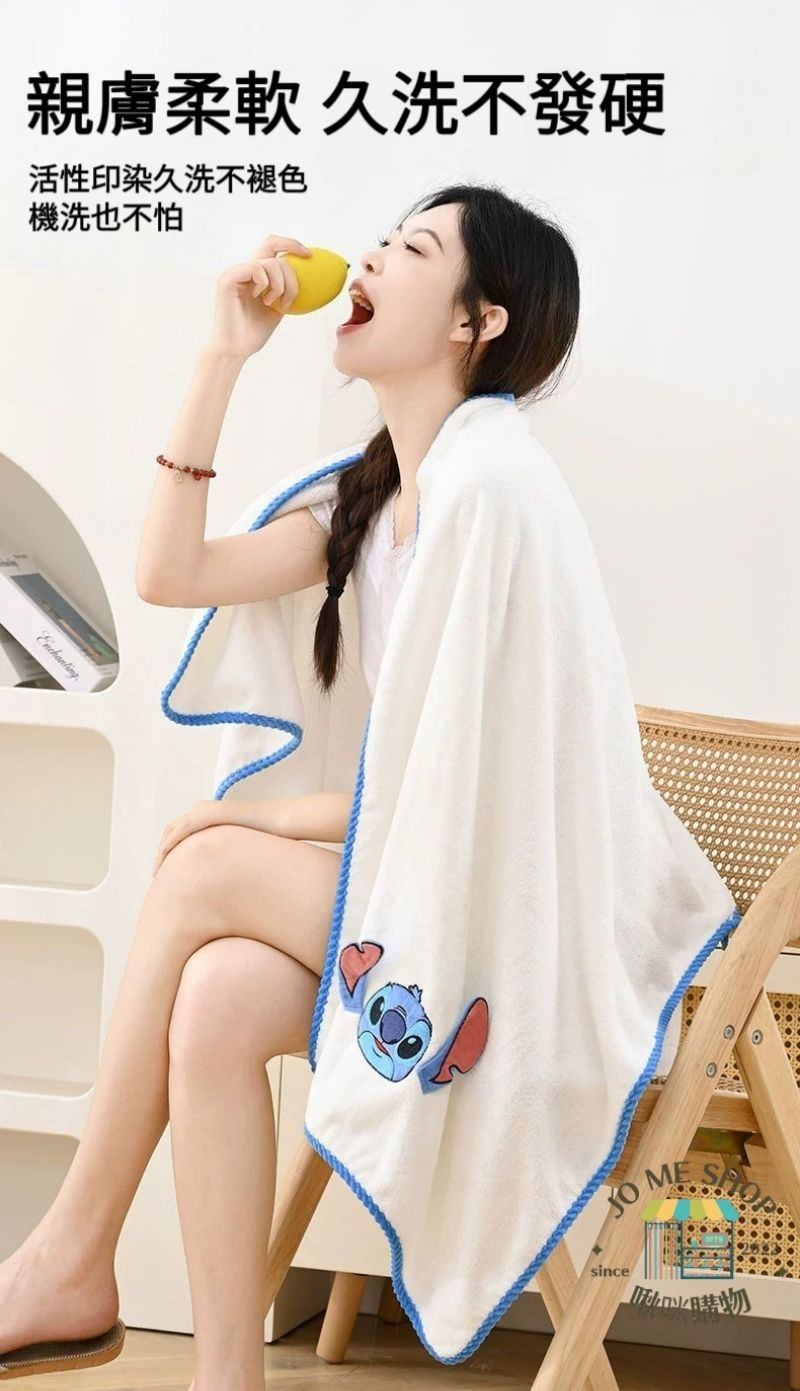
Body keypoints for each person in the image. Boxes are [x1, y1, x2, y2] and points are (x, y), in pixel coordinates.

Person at [0, 182, 579, 1391]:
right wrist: (223, 352)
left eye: (410, 249)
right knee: (215, 994)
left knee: (206, 858)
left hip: (505, 933)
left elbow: (461, 787)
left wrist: (253, 815)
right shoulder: (372, 498)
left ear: (475, 321)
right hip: (414, 902)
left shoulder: (490, 488)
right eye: (380, 239)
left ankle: (67, 1254)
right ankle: (223, 1374)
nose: (368, 259)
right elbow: (169, 572)